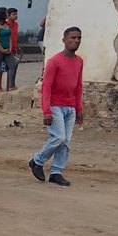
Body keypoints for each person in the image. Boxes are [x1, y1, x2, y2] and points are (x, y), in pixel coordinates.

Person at [29, 27, 84, 188]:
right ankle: (37, 161)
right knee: (58, 137)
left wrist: (79, 108)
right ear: (64, 40)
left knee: (65, 141)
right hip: (55, 106)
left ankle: (56, 172)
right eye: (72, 38)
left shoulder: (79, 61)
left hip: (70, 107)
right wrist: (46, 111)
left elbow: (78, 86)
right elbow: (46, 88)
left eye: (79, 38)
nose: (76, 41)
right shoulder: (54, 61)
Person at [5, 7, 21, 91]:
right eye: (13, 14)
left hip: (14, 47)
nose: (15, 16)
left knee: (14, 67)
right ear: (8, 15)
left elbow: (15, 36)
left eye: (16, 14)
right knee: (11, 66)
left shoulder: (16, 24)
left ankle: (11, 85)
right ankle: (11, 85)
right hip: (7, 48)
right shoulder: (7, 24)